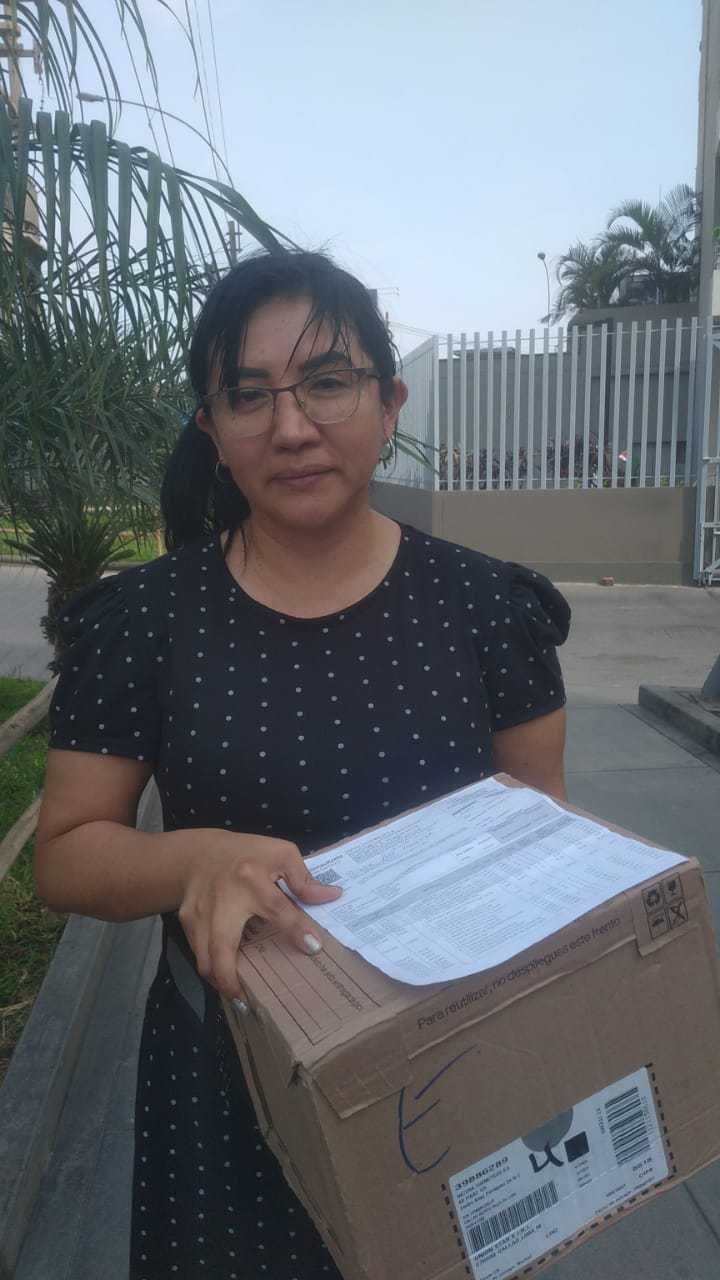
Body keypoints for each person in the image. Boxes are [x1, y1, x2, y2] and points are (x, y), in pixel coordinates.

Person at [35, 250, 571, 1280]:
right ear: (211, 428)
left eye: (328, 381)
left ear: (388, 402)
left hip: (451, 1066)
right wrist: (196, 859)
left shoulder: (487, 609)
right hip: (227, 1081)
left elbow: (540, 832)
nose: (291, 426)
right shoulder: (146, 620)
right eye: (249, 396)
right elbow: (65, 853)